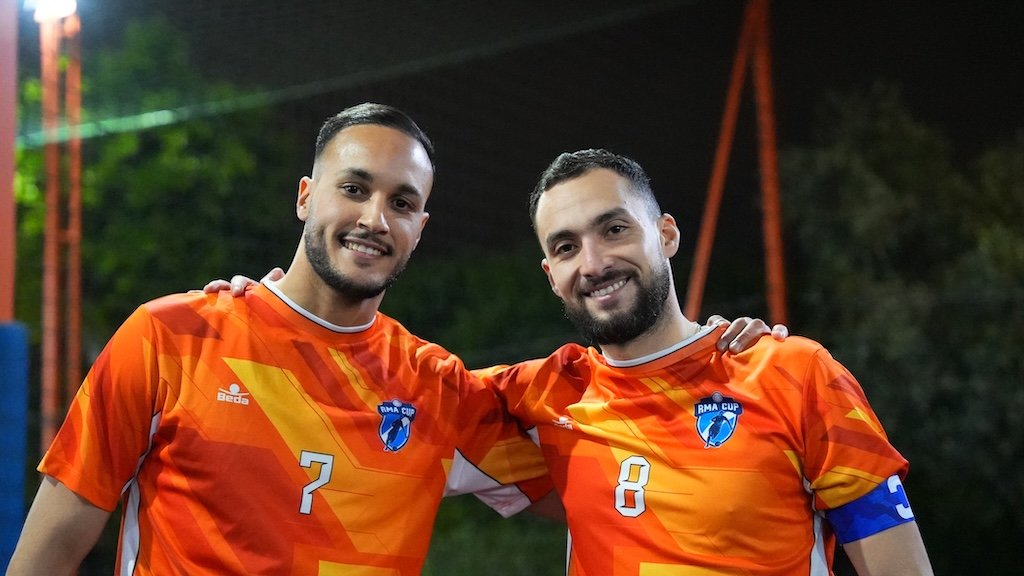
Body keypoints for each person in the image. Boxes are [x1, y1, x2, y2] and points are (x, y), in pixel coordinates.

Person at [6, 104, 776, 575]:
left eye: (402, 202)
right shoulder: (171, 337)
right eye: (354, 189)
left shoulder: (436, 391)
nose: (375, 218)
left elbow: (621, 466)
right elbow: (52, 547)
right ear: (306, 196)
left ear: (420, 227)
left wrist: (722, 367)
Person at [478, 148, 935, 575]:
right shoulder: (542, 397)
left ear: (666, 234)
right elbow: (431, 390)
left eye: (614, 230)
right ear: (551, 277)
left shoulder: (794, 374)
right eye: (566, 247)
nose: (594, 263)